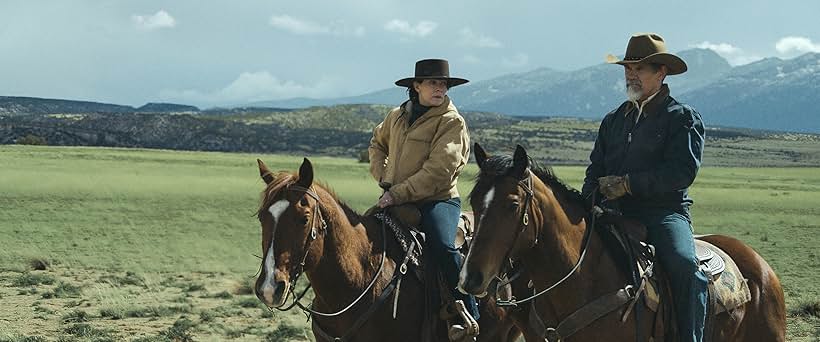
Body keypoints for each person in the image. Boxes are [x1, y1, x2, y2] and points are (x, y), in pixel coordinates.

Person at [581, 33, 708, 342]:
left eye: (639, 69)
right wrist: (588, 200)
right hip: (611, 213)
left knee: (684, 265)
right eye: (628, 68)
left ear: (661, 72)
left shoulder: (682, 118)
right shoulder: (613, 120)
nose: (631, 75)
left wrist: (628, 184)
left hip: (662, 213)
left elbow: (681, 173)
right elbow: (595, 169)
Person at [368, 58, 477, 341]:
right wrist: (384, 177)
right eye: (433, 83)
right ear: (416, 86)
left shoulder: (451, 121)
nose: (440, 88)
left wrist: (396, 193)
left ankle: (467, 314)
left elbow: (439, 171)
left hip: (437, 200)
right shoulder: (396, 116)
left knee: (443, 246)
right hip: (394, 198)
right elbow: (377, 143)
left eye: (443, 84)